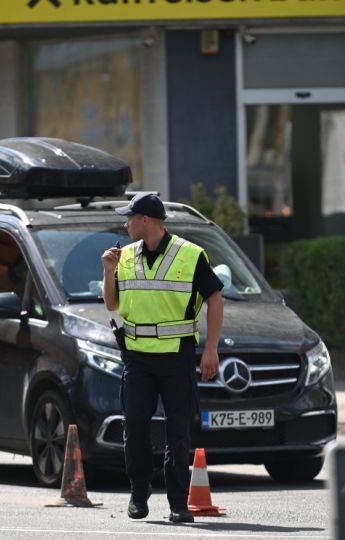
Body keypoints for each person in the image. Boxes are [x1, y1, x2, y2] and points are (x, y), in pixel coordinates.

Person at [101, 192, 223, 524]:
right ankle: (139, 495)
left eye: (129, 217)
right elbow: (112, 305)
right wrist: (108, 271)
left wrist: (211, 348)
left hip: (177, 358)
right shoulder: (123, 256)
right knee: (136, 427)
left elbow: (214, 298)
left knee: (178, 432)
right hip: (137, 358)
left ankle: (178, 505)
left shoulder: (190, 255)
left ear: (145, 220)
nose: (124, 223)